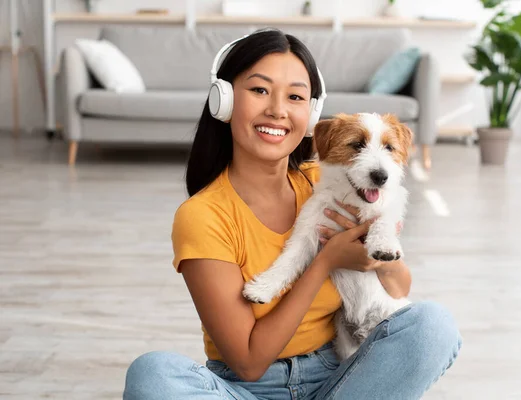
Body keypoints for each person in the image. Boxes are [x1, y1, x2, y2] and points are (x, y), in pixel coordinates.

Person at [123, 28, 462, 400]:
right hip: (247, 388)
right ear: (224, 99)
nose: (278, 109)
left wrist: (378, 255)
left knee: (433, 325)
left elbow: (398, 288)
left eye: (296, 96)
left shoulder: (330, 182)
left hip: (342, 376)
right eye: (259, 90)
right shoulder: (204, 215)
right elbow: (248, 363)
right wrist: (324, 262)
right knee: (153, 374)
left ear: (312, 112)